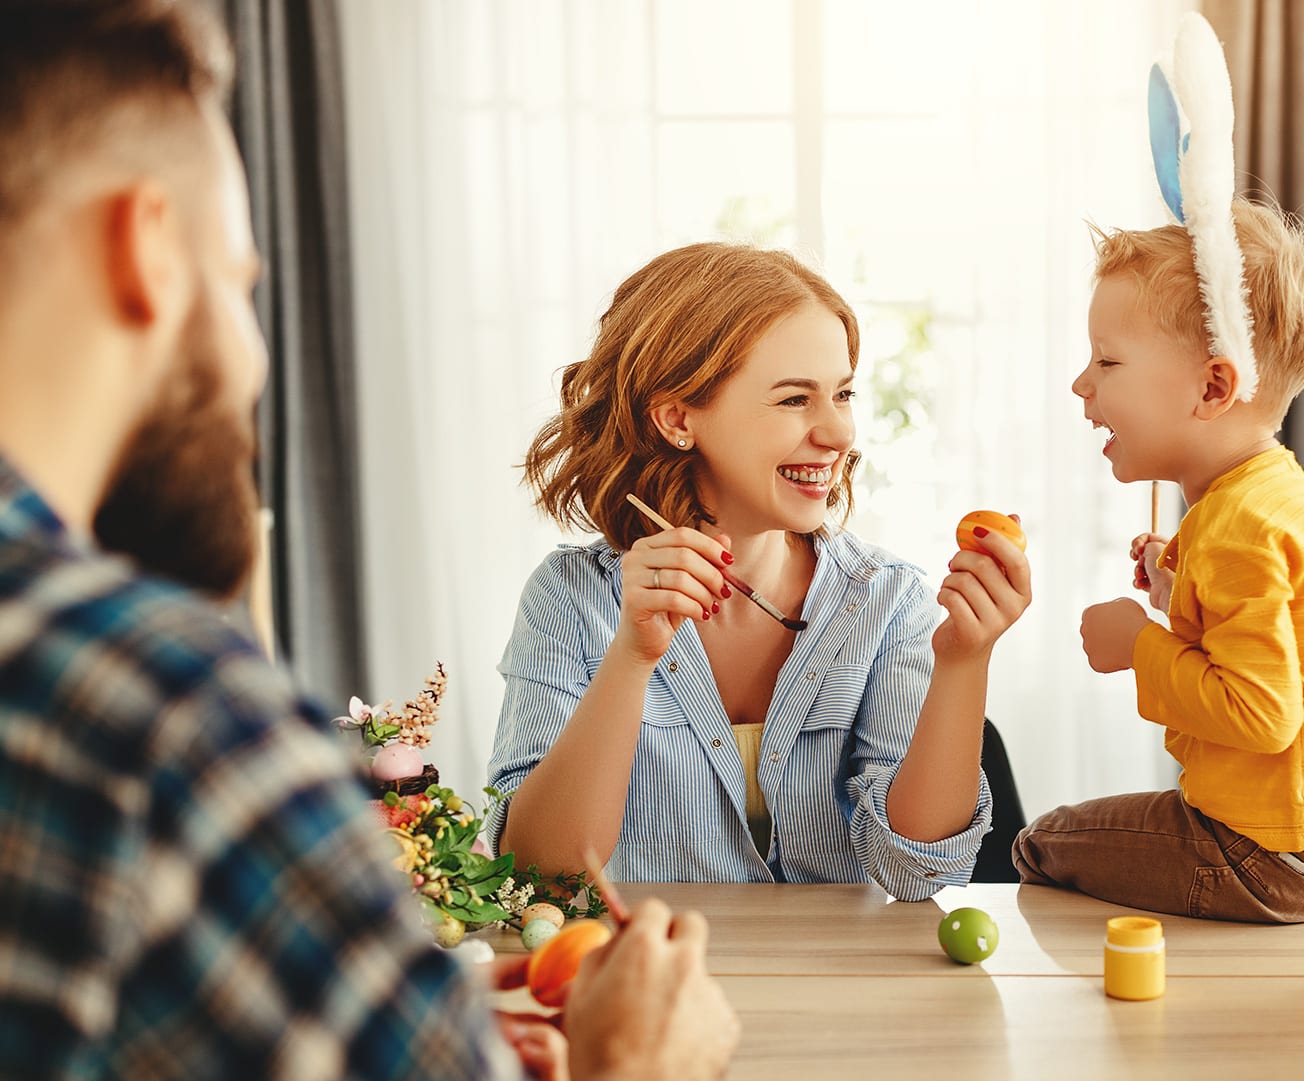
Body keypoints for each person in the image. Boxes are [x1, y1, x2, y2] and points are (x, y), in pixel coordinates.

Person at [0, 2, 734, 1077]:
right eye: (244, 284)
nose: (253, 357)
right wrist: (637, 1064)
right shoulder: (156, 707)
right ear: (147, 245)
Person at [487, 242, 1033, 897]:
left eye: (843, 393)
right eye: (795, 400)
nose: (838, 433)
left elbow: (915, 873)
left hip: (831, 988)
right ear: (678, 417)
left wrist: (963, 661)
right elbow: (540, 876)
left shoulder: (887, 601)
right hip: (649, 985)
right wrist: (631, 657)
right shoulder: (571, 600)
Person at [1011, 201, 1304, 923]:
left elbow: (1259, 714)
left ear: (1214, 388)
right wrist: (1175, 593)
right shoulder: (1275, 500)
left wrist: (1138, 644)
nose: (1081, 384)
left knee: (1041, 844)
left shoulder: (1235, 527)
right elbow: (1283, 644)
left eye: (1108, 361)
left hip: (1283, 852)